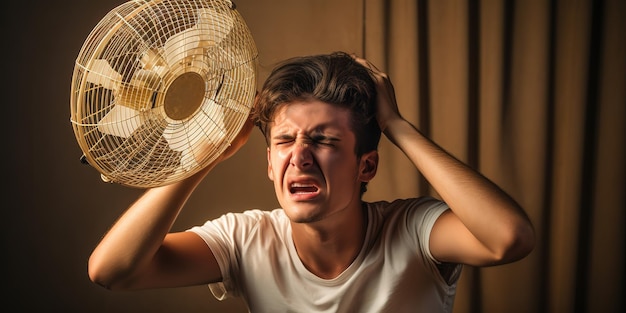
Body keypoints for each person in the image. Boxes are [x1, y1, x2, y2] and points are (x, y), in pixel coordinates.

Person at [88, 51, 535, 312]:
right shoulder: (245, 239)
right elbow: (112, 271)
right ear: (269, 163)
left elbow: (509, 238)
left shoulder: (414, 230)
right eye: (284, 141)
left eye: (322, 140)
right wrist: (207, 157)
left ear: (367, 166)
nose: (299, 156)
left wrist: (395, 124)